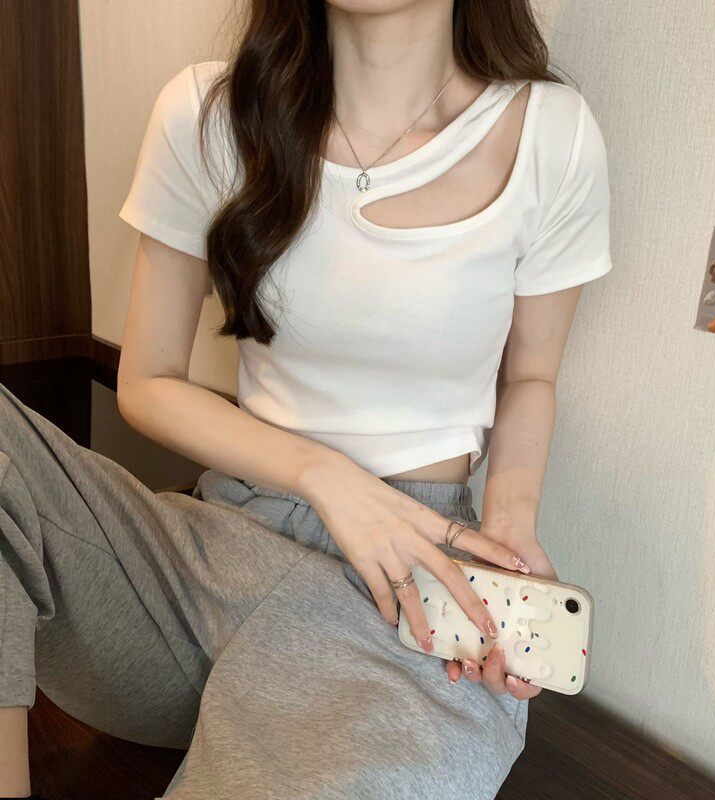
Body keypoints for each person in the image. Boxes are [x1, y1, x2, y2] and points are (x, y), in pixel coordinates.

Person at [0, 0, 612, 797]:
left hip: (404, 590)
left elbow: (530, 377)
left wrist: (508, 533)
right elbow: (148, 382)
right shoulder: (207, 114)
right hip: (202, 560)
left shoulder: (550, 135)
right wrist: (327, 477)